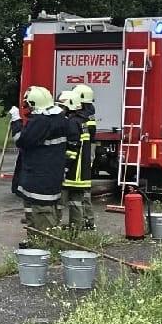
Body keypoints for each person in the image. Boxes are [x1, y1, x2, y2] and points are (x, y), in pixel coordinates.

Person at [9, 86, 70, 243]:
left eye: (28, 105)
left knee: (43, 217)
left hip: (40, 179)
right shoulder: (58, 118)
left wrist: (16, 121)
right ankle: (35, 243)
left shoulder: (42, 122)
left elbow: (22, 140)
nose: (27, 109)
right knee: (33, 212)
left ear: (34, 103)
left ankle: (44, 250)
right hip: (46, 176)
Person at [59, 91, 92, 230]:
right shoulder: (82, 122)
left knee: (60, 201)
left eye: (62, 106)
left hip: (73, 171)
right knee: (76, 202)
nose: (61, 109)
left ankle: (54, 227)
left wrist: (65, 167)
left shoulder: (72, 123)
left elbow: (72, 148)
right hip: (81, 171)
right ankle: (76, 229)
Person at [70, 82, 97, 230]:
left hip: (84, 153)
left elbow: (88, 134)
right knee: (84, 190)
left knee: (83, 190)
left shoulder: (83, 116)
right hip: (88, 151)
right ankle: (88, 220)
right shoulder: (89, 112)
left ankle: (87, 220)